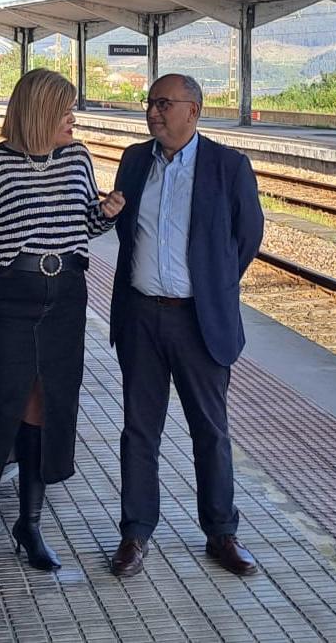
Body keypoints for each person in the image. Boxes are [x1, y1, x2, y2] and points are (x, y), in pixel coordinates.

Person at [0, 68, 125, 595]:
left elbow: (84, 226)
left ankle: (30, 527)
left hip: (66, 299)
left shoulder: (77, 158)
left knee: (46, 412)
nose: (74, 118)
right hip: (10, 300)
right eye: (65, 110)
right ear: (39, 114)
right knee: (0, 415)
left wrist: (108, 214)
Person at [106, 73, 264, 579]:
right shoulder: (135, 161)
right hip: (141, 317)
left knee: (210, 432)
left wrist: (213, 288)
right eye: (150, 103)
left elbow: (247, 235)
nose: (153, 112)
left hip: (199, 320)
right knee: (139, 431)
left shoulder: (227, 166)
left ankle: (221, 532)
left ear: (193, 111)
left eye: (164, 103)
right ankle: (134, 534)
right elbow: (125, 229)